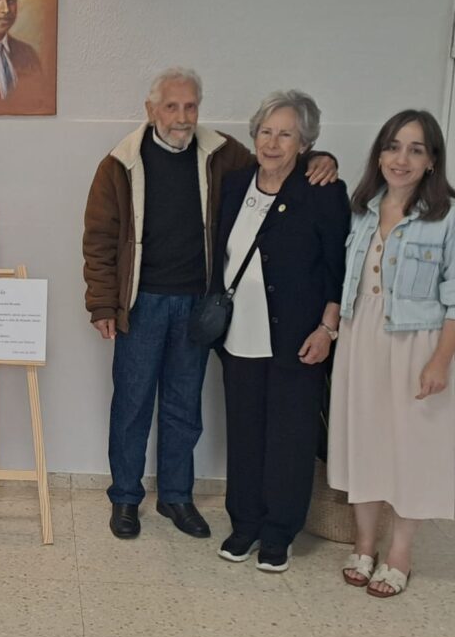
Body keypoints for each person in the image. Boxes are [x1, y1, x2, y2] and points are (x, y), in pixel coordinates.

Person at [82, 67, 338, 541]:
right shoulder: (119, 164)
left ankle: (176, 496)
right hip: (140, 306)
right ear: (151, 110)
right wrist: (101, 304)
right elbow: (98, 238)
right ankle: (125, 497)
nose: (182, 117)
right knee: (132, 405)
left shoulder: (222, 155)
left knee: (184, 407)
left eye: (191, 106)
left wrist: (322, 158)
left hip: (199, 306)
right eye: (171, 106)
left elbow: (277, 162)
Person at [328, 110, 455, 597]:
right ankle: (364, 544)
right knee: (365, 439)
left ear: (432, 160)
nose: (402, 158)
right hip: (361, 336)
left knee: (414, 446)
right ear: (380, 154)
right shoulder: (361, 210)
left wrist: (440, 360)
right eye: (393, 146)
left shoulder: (454, 217)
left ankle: (400, 553)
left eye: (416, 150)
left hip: (417, 342)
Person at [212, 91, 349, 572]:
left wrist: (327, 329)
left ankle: (279, 533)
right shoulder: (234, 184)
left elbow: (338, 270)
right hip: (237, 337)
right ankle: (245, 523)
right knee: (244, 433)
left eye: (286, 134)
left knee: (290, 438)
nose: (272, 143)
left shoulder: (323, 190)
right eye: (266, 132)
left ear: (304, 143)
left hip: (298, 339)